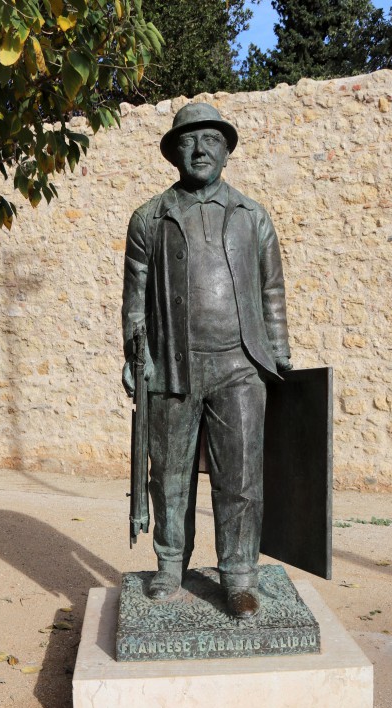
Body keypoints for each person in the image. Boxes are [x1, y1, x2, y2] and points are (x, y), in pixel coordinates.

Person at [121, 103, 291, 618]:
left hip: (241, 365)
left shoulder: (251, 215)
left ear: (226, 150)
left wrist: (279, 351)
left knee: (239, 477)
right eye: (190, 141)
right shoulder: (149, 218)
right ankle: (170, 565)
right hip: (172, 365)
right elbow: (135, 299)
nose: (200, 150)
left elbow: (272, 290)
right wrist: (135, 354)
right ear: (174, 152)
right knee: (168, 474)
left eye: (211, 140)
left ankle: (239, 575)